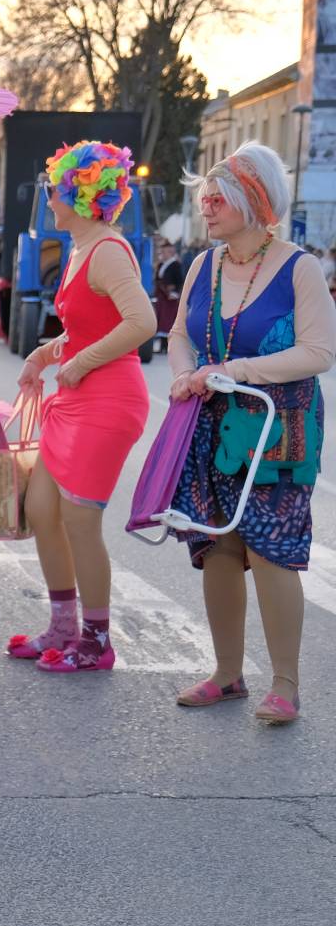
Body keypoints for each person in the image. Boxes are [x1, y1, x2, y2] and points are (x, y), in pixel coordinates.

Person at [167, 142, 334, 723]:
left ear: (253, 199)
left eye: (217, 198)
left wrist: (231, 372)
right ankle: (227, 673)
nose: (206, 208)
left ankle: (285, 684)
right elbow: (180, 335)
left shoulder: (299, 267)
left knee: (271, 550)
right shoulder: (203, 266)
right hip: (211, 423)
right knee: (218, 544)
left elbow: (319, 353)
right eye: (204, 198)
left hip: (277, 428)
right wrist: (186, 373)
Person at [6, 141, 155, 673]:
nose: (49, 197)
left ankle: (96, 639)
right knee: (42, 508)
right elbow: (84, 327)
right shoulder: (79, 247)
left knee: (78, 518)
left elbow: (142, 323)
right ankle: (64, 626)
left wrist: (81, 360)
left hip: (109, 397)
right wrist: (43, 354)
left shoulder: (108, 250)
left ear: (80, 192)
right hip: (76, 392)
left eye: (55, 188)